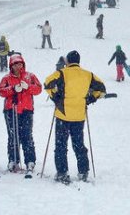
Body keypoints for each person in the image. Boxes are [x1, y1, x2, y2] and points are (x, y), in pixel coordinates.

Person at [44, 50, 106, 183]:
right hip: (79, 115)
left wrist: (56, 97)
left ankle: (62, 172)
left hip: (63, 114)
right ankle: (83, 172)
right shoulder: (88, 75)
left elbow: (47, 83)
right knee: (79, 144)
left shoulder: (62, 73)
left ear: (67, 61)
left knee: (61, 145)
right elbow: (101, 89)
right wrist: (90, 99)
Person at [0, 54, 43, 173]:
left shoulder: (30, 76)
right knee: (13, 136)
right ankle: (13, 159)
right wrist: (12, 89)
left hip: (26, 110)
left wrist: (28, 87)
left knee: (27, 135)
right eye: (16, 64)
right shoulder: (6, 78)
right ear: (11, 65)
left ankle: (30, 160)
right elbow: (1, 91)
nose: (19, 66)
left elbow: (38, 89)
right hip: (11, 110)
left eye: (20, 64)